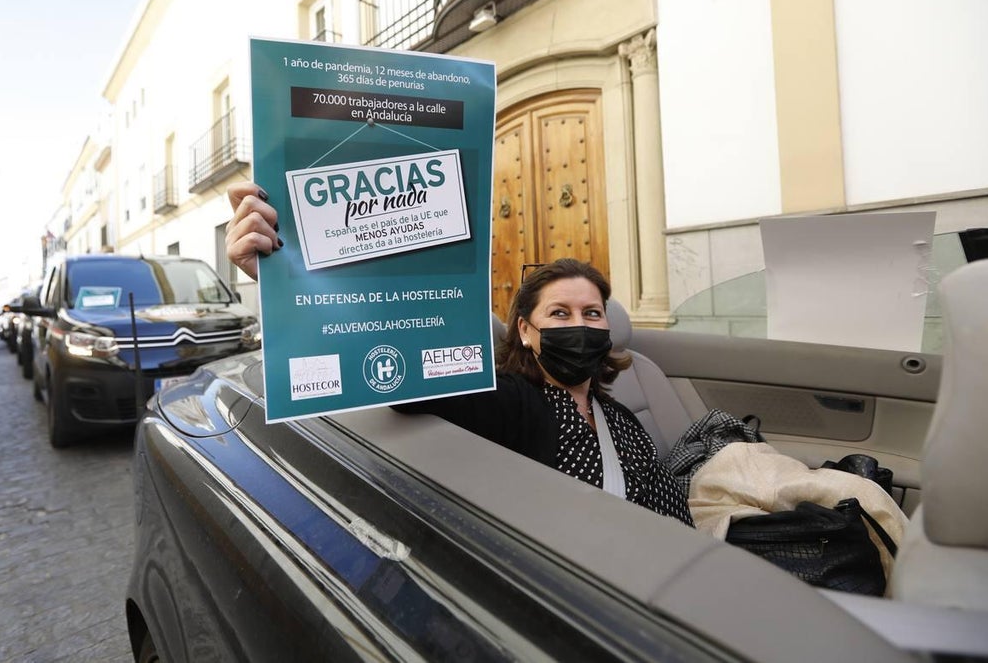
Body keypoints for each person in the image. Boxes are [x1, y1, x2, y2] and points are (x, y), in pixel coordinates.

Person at [225, 182, 693, 526]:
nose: (579, 325)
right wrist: (284, 280)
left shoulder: (620, 416)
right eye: (560, 313)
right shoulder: (512, 402)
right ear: (527, 332)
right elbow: (406, 385)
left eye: (592, 313)